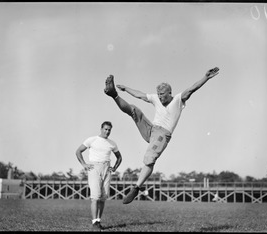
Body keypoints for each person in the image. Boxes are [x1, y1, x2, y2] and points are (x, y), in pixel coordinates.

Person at [104, 67, 219, 204]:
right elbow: (140, 95)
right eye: (158, 94)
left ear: (170, 93)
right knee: (134, 110)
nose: (160, 97)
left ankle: (136, 188)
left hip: (163, 134)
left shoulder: (178, 100)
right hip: (151, 129)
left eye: (163, 94)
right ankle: (114, 94)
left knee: (149, 158)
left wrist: (205, 77)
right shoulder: (155, 98)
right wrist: (125, 88)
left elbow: (192, 88)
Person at [76, 121, 122, 230]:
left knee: (103, 198)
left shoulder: (112, 143)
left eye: (109, 130)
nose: (107, 131)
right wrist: (84, 164)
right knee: (95, 197)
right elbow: (78, 151)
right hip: (94, 168)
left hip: (107, 168)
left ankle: (98, 221)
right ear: (101, 129)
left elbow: (119, 157)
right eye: (105, 129)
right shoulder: (92, 140)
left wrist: (114, 168)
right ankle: (94, 222)